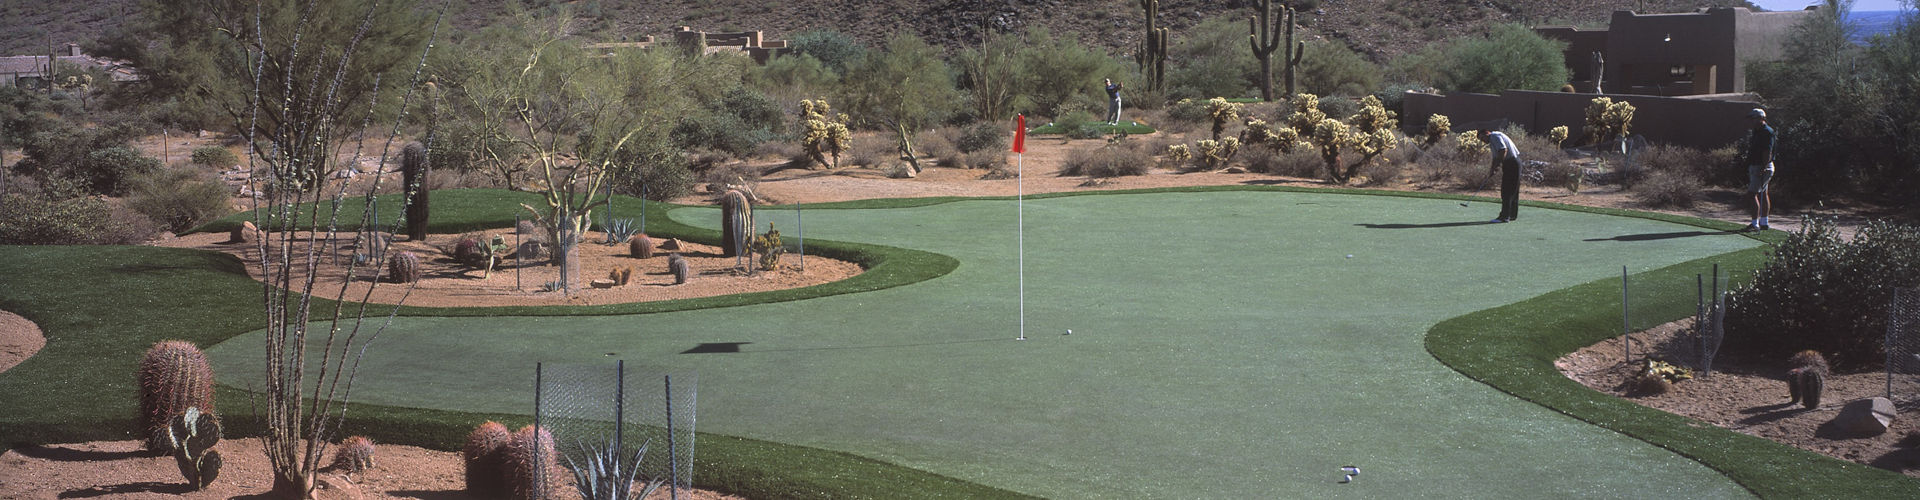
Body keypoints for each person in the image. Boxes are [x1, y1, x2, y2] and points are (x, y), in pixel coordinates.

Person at [1742, 108, 1775, 231]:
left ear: (1761, 118)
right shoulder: (1757, 131)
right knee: (1763, 193)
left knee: (1752, 194)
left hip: (1761, 167)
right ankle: (1764, 223)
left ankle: (1755, 224)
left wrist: (1764, 167)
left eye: (1753, 118)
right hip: (1758, 166)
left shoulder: (1766, 132)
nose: (1751, 121)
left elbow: (1767, 152)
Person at [1482, 129, 1521, 222]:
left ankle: (1504, 217)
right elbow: (1495, 157)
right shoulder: (1492, 142)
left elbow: (1503, 150)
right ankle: (1512, 215)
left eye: (1482, 138)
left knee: (1507, 190)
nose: (1482, 141)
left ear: (1487, 133)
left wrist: (1498, 165)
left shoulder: (1494, 136)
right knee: (1512, 190)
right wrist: (1492, 170)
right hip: (1512, 163)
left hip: (1512, 162)